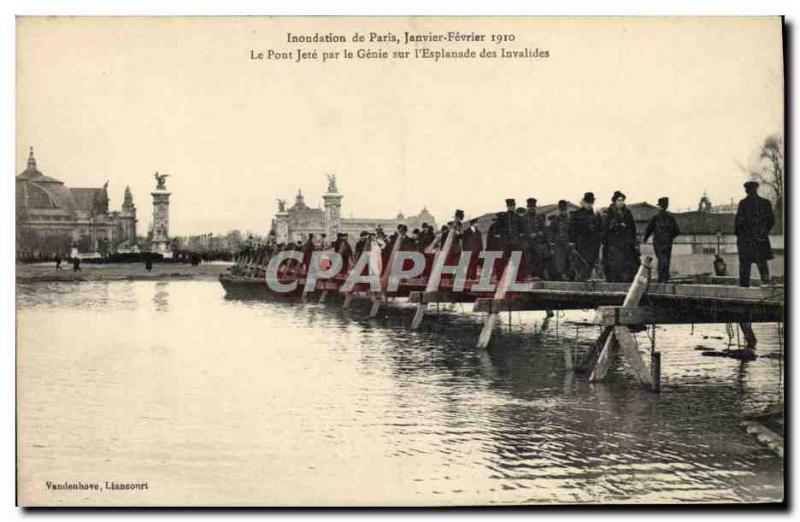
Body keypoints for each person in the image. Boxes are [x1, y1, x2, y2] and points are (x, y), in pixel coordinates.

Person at [735, 181, 775, 287]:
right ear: (756, 189)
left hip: (746, 241)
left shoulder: (743, 204)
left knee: (745, 266)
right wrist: (763, 232)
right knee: (762, 264)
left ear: (748, 190)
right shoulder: (765, 203)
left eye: (747, 189)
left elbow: (738, 223)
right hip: (760, 240)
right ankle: (766, 285)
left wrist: (740, 237)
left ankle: (744, 288)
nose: (747, 191)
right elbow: (771, 221)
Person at [602, 191, 639, 282]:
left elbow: (632, 227)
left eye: (622, 200)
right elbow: (605, 227)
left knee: (627, 262)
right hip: (613, 243)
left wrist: (634, 240)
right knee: (615, 263)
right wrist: (617, 225)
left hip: (626, 242)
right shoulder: (609, 212)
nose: (621, 202)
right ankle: (614, 281)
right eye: (619, 200)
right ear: (614, 201)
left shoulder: (627, 212)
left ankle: (625, 281)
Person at [644, 196, 680, 283]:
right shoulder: (671, 218)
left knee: (661, 258)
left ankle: (661, 278)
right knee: (666, 258)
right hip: (668, 242)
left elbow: (649, 229)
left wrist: (645, 238)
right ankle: (665, 277)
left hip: (658, 241)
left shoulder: (656, 218)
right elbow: (677, 231)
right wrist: (670, 237)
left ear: (659, 206)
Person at [568, 192, 603, 281]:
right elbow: (571, 229)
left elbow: (600, 229)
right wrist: (572, 242)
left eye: (591, 202)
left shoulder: (596, 215)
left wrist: (600, 240)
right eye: (587, 202)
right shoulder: (576, 214)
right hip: (581, 245)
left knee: (592, 265)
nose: (589, 204)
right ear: (583, 202)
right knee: (582, 266)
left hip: (594, 245)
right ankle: (579, 285)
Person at [522, 198, 550, 279]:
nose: (532, 209)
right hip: (527, 242)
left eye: (533, 207)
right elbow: (521, 230)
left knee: (538, 258)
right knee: (528, 259)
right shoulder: (523, 218)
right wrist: (528, 235)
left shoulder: (539, 218)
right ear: (527, 207)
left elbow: (544, 230)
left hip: (538, 242)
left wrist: (537, 234)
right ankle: (529, 275)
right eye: (530, 207)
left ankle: (537, 275)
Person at [547, 200, 574, 281]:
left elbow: (574, 231)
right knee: (559, 260)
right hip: (558, 243)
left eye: (564, 208)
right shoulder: (556, 219)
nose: (563, 210)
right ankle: (561, 275)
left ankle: (570, 275)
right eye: (561, 209)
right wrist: (552, 242)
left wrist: (572, 241)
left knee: (570, 259)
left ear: (566, 208)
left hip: (569, 243)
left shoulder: (571, 219)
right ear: (559, 209)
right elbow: (551, 231)